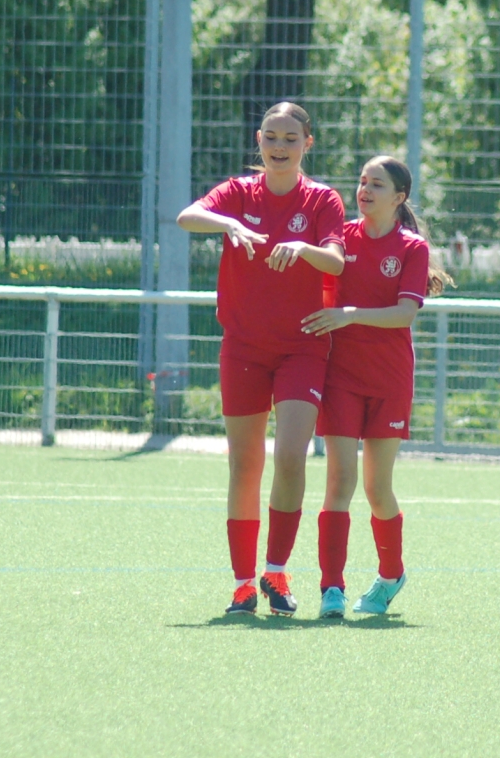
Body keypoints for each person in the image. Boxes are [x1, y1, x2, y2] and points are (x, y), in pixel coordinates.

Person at [178, 101, 346, 615]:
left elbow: (336, 260)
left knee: (291, 457)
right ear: (259, 140)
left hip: (302, 346)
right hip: (244, 347)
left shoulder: (322, 200)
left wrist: (302, 246)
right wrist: (228, 224)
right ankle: (242, 584)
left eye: (291, 139)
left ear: (307, 144)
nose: (279, 146)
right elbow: (187, 217)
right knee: (245, 464)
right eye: (271, 137)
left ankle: (276, 571)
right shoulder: (237, 193)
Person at [303, 155, 451, 618]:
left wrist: (349, 315)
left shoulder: (411, 248)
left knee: (376, 487)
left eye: (378, 184)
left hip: (389, 380)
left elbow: (404, 314)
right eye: (363, 181)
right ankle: (331, 588)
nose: (365, 190)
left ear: (399, 197)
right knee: (339, 481)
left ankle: (391, 575)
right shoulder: (340, 239)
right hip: (341, 377)